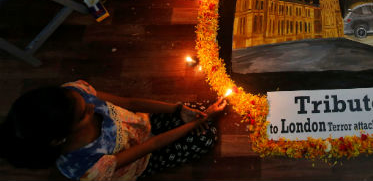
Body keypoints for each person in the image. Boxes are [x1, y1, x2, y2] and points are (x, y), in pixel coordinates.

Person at [0, 80, 227, 180]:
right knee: (206, 137)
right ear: (59, 139)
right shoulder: (86, 165)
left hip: (140, 123)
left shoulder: (74, 94)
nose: (91, 105)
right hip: (143, 159)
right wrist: (194, 125)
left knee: (196, 110)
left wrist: (178, 109)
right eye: (83, 115)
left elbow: (128, 102)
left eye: (84, 99)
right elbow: (152, 145)